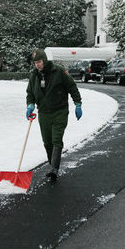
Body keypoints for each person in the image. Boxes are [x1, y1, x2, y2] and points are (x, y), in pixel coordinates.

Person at [26, 49, 82, 181]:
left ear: (44, 60)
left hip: (59, 111)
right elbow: (30, 93)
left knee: (56, 139)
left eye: (39, 62)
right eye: (35, 63)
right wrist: (30, 105)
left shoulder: (59, 71)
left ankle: (54, 169)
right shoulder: (34, 75)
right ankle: (53, 165)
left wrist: (78, 103)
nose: (37, 65)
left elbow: (71, 86)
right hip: (44, 113)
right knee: (47, 141)